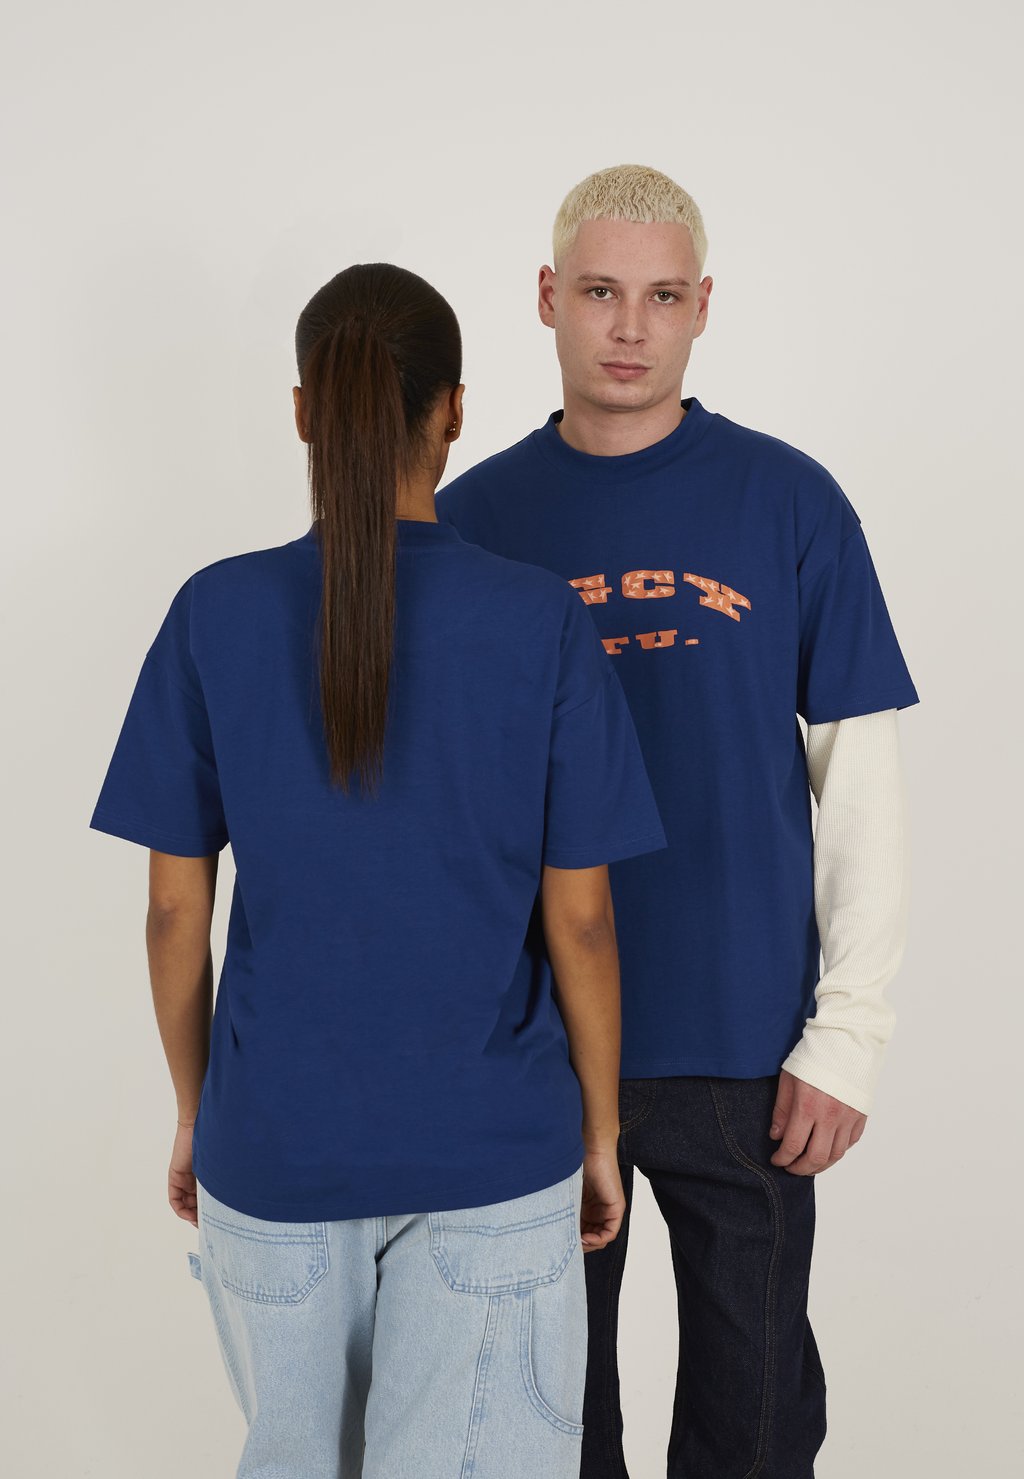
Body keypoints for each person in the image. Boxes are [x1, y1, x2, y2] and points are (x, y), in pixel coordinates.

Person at [88, 261, 668, 1479]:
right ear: (452, 411)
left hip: (273, 1149)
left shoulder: (214, 612)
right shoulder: (538, 621)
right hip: (491, 1152)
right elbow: (582, 922)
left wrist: (197, 1113)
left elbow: (174, 913)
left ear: (306, 411)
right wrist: (601, 1133)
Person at [436, 165, 919, 1477]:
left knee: (755, 1425)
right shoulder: (470, 521)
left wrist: (849, 1036)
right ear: (549, 296)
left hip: (743, 1044)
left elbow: (859, 779)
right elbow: (434, 805)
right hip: (529, 1049)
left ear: (703, 306)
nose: (629, 327)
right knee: (542, 1428)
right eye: (600, 292)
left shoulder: (789, 501)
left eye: (661, 297)